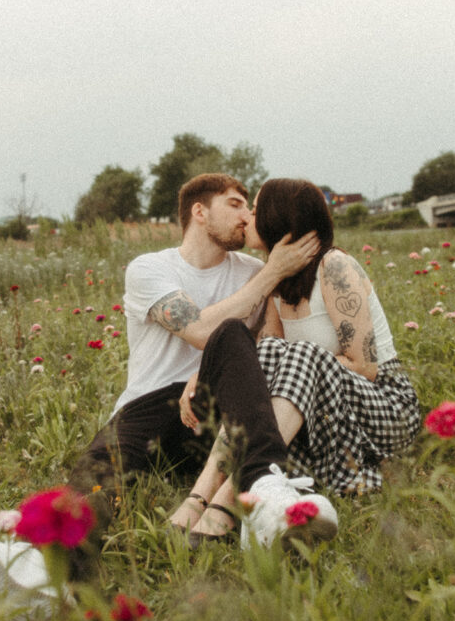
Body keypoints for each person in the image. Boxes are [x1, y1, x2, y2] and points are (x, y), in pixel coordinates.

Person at [0, 173, 338, 619]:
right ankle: (41, 571)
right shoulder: (151, 268)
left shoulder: (252, 273)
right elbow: (200, 330)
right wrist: (271, 273)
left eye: (250, 205)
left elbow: (271, 352)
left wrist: (269, 276)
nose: (248, 214)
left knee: (235, 339)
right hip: (151, 406)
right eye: (235, 203)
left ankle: (264, 488)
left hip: (216, 413)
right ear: (199, 211)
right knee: (103, 475)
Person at [170, 178, 421, 548]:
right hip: (324, 413)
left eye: (255, 209)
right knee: (269, 353)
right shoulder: (275, 281)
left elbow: (365, 367)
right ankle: (200, 494)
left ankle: (224, 502)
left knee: (300, 353)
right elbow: (267, 355)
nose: (248, 218)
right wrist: (205, 371)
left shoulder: (335, 266)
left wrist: (310, 362)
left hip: (383, 403)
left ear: (277, 219)